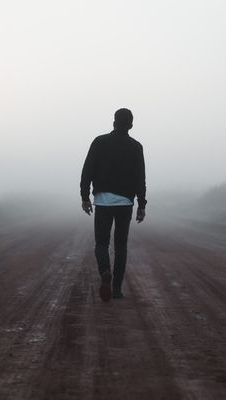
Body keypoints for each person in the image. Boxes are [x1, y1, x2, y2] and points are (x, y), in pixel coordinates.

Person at [80, 108, 147, 302]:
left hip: (103, 201)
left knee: (102, 243)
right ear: (131, 125)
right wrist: (141, 204)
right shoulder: (136, 147)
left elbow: (87, 170)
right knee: (121, 246)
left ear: (114, 122)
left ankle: (104, 272)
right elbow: (140, 178)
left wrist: (85, 197)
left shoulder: (99, 142)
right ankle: (116, 289)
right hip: (125, 203)